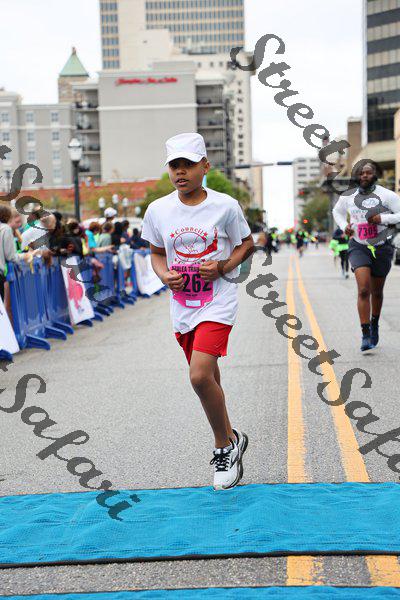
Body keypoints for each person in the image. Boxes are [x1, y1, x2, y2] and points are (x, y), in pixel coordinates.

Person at [141, 132, 254, 491]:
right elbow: (156, 252)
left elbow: (246, 244)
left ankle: (224, 447)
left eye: (188, 164)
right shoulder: (158, 210)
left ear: (204, 166)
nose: (180, 171)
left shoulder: (225, 206)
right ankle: (233, 437)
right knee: (210, 378)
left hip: (218, 301)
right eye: (174, 165)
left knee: (199, 376)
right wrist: (164, 276)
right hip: (183, 307)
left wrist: (223, 266)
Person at [333, 160, 400, 351]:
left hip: (381, 246)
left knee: (377, 292)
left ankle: (374, 323)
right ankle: (365, 333)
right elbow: (337, 212)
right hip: (358, 245)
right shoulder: (348, 196)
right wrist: (343, 226)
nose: (364, 175)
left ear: (374, 175)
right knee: (363, 289)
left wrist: (382, 218)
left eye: (368, 172)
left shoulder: (387, 195)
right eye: (361, 173)